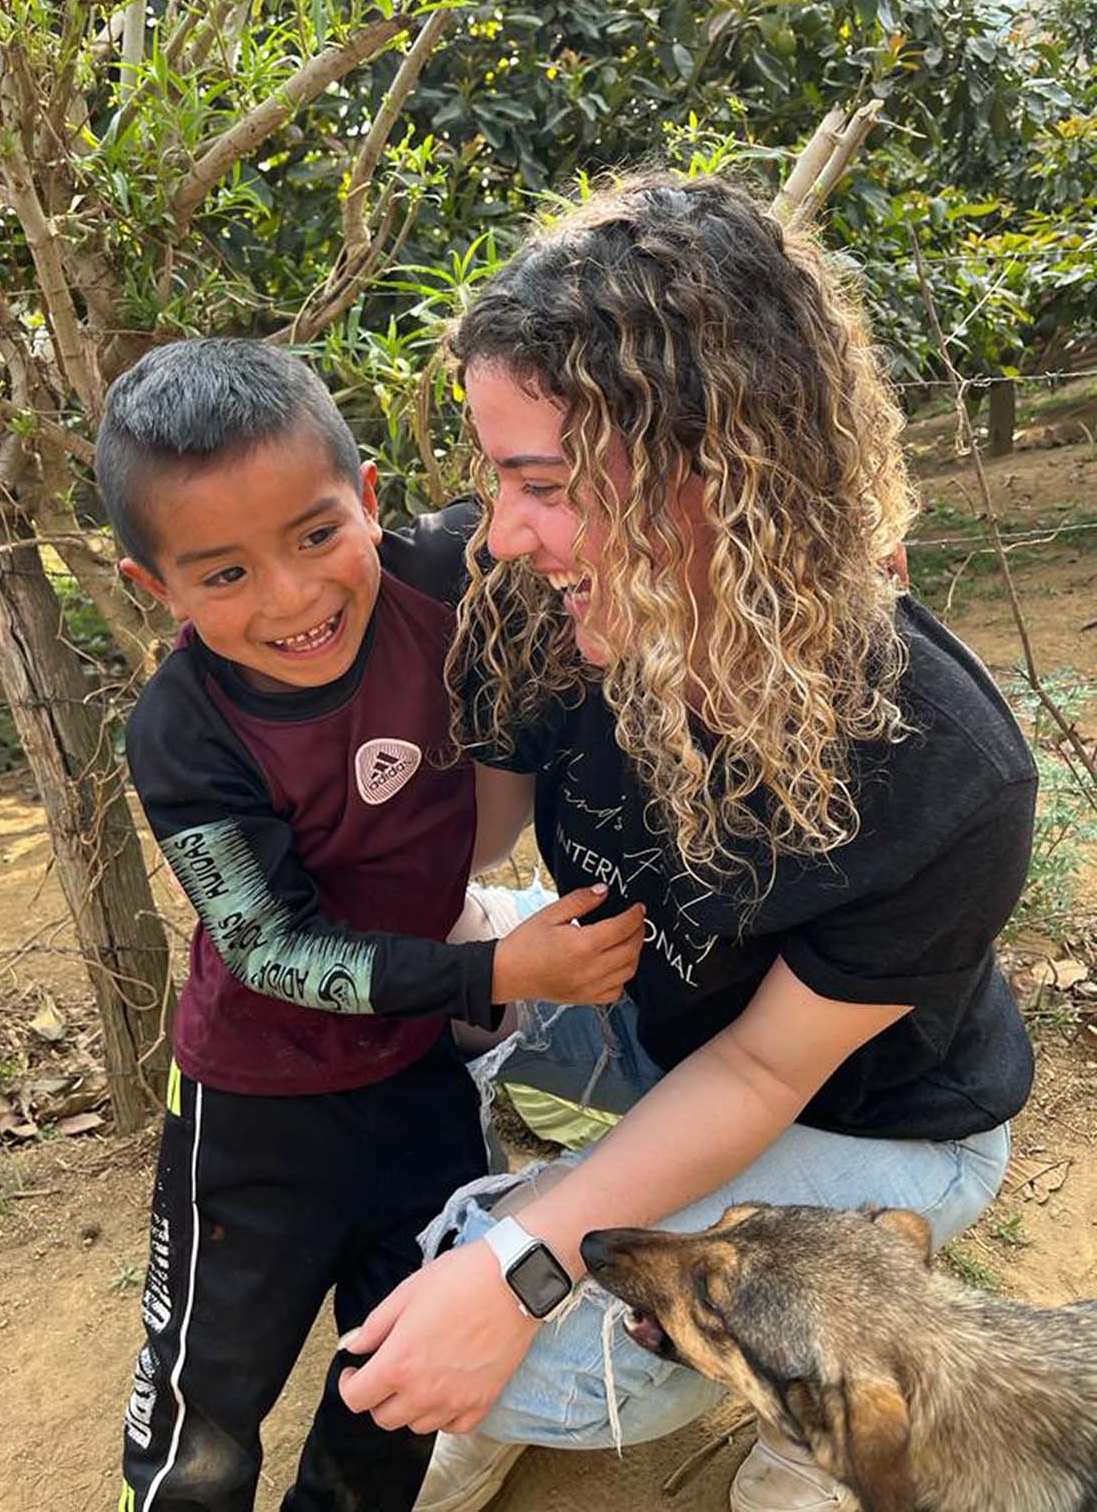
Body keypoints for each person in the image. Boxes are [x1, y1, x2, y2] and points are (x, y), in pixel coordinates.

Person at [336, 176, 1038, 1512]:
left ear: (725, 469)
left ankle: (819, 1396)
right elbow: (468, 837)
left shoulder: (945, 771)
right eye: (497, 478)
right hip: (637, 998)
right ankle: (487, 1322)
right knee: (372, 1004)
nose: (503, 533)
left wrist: (517, 1268)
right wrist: (282, 695)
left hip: (866, 1109)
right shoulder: (543, 593)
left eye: (546, 484)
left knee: (539, 1349)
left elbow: (762, 1068)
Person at [95, 339, 645, 1512]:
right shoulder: (183, 733)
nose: (292, 597)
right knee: (205, 1406)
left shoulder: (445, 575)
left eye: (314, 535)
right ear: (157, 589)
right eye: (224, 573)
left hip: (419, 1083)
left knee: (398, 1377)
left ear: (368, 499)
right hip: (254, 1109)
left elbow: (593, 520)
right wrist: (495, 969)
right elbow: (269, 948)